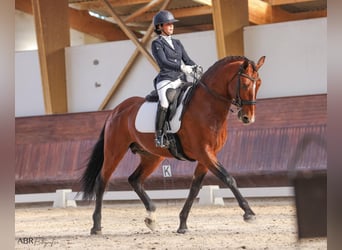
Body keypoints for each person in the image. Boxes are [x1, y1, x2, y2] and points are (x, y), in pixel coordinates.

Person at [151, 10, 198, 148]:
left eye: (172, 24)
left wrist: (195, 67)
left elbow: (187, 59)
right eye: (168, 24)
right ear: (159, 27)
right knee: (165, 102)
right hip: (166, 79)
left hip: (180, 79)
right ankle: (159, 136)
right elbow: (163, 62)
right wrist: (182, 67)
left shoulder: (177, 43)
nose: (171, 26)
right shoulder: (157, 44)